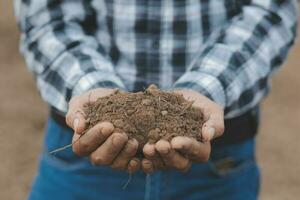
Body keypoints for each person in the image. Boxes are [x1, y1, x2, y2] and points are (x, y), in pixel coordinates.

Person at [14, 0, 297, 199]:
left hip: (217, 159)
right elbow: (48, 16)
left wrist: (203, 93)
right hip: (84, 149)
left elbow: (273, 9)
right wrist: (93, 95)